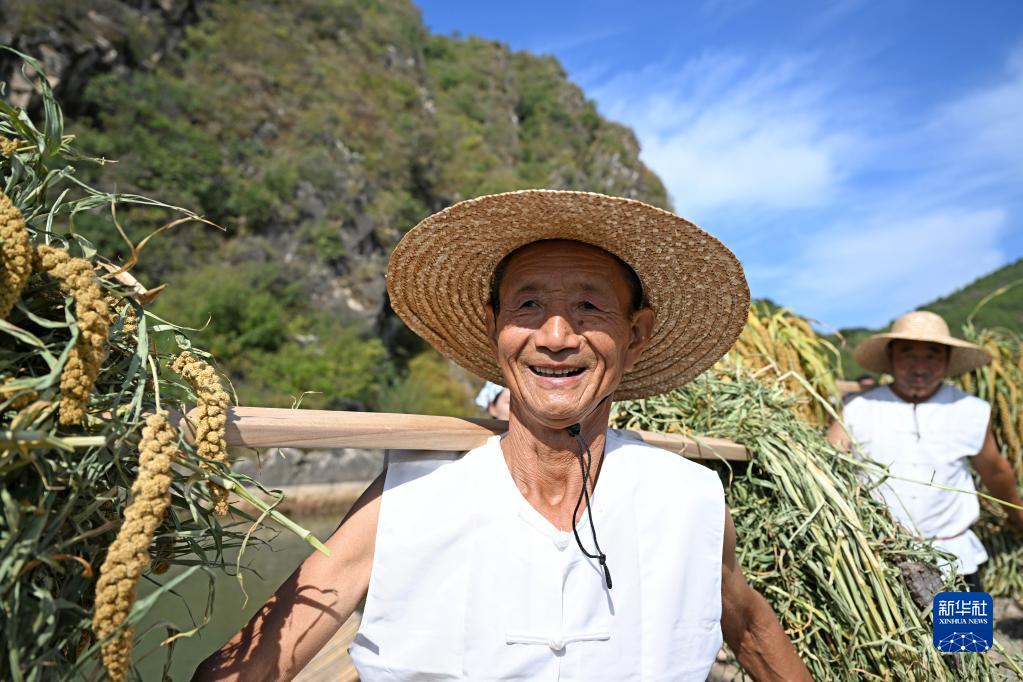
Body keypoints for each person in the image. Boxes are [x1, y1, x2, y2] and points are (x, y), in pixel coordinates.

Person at [194, 190, 811, 681]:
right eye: (528, 306)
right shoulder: (407, 500)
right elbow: (251, 667)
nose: (556, 337)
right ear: (496, 328)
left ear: (636, 334)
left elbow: (748, 625)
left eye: (590, 307)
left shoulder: (691, 500)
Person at [827, 310, 1023, 589]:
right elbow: (828, 464)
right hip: (875, 562)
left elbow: (994, 470)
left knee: (966, 621)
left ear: (947, 360)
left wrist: (1017, 516)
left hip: (955, 559)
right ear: (891, 358)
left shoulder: (971, 410)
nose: (920, 367)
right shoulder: (857, 409)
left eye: (932, 356)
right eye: (908, 354)